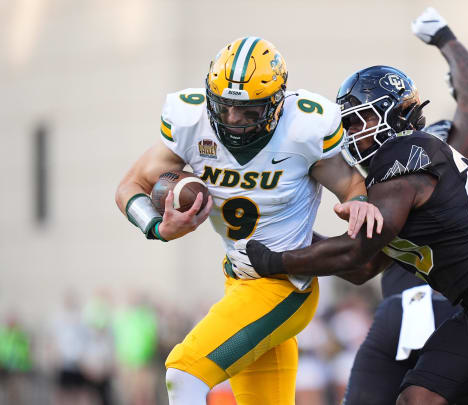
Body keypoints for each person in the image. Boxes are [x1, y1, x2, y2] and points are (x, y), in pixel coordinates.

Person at [227, 63, 468, 405]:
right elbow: (362, 269)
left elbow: (355, 251)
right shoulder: (388, 178)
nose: (350, 132)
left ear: (394, 114)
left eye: (358, 120)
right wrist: (292, 234)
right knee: (417, 397)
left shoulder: (404, 154)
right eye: (346, 123)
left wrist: (273, 260)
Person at [115, 37, 382, 405]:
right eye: (224, 108)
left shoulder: (303, 128)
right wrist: (157, 227)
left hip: (285, 287)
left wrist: (359, 201)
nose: (233, 120)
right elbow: (131, 185)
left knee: (183, 370)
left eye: (249, 112)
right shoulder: (192, 122)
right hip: (237, 281)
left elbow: (350, 183)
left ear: (276, 104)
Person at [340, 8, 468, 405]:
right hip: (456, 310)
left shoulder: (399, 164)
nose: (355, 133)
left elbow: (359, 265)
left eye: (361, 120)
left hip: (406, 309)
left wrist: (283, 253)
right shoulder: (441, 158)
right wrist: (444, 37)